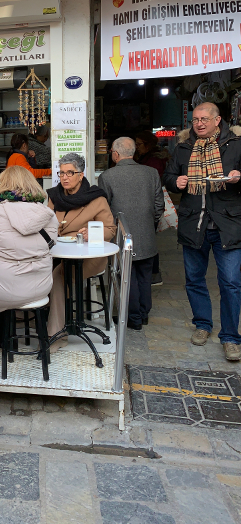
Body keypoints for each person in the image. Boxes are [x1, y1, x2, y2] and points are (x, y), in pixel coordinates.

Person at [163, 102, 241, 361]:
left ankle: (230, 337)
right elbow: (168, 176)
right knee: (194, 279)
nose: (199, 123)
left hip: (226, 224)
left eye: (205, 119)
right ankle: (203, 325)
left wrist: (238, 177)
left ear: (218, 120)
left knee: (230, 283)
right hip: (194, 222)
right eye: (195, 119)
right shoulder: (183, 148)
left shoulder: (235, 144)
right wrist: (177, 181)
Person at [0, 165, 57, 360]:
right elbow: (51, 244)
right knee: (0, 277)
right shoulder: (47, 214)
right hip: (39, 288)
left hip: (3, 290)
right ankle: (1, 337)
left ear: (4, 186)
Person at [46, 152, 116, 341]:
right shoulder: (54, 196)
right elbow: (47, 225)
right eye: (61, 173)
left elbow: (110, 229)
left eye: (70, 173)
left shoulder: (95, 198)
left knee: (59, 276)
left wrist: (91, 233)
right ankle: (26, 317)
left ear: (81, 175)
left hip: (89, 256)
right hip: (57, 253)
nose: (65, 177)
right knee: (32, 268)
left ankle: (56, 335)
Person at [98, 137, 164, 330]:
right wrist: (149, 224)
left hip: (122, 234)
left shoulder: (107, 176)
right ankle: (143, 314)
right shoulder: (151, 173)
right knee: (144, 275)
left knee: (127, 275)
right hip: (147, 234)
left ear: (116, 154)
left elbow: (105, 209)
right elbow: (159, 205)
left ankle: (134, 318)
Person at [135, 130, 169, 286]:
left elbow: (150, 183)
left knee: (148, 240)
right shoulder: (145, 158)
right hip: (148, 202)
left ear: (148, 145)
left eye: (139, 144)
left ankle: (154, 274)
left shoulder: (153, 161)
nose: (136, 147)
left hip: (149, 202)